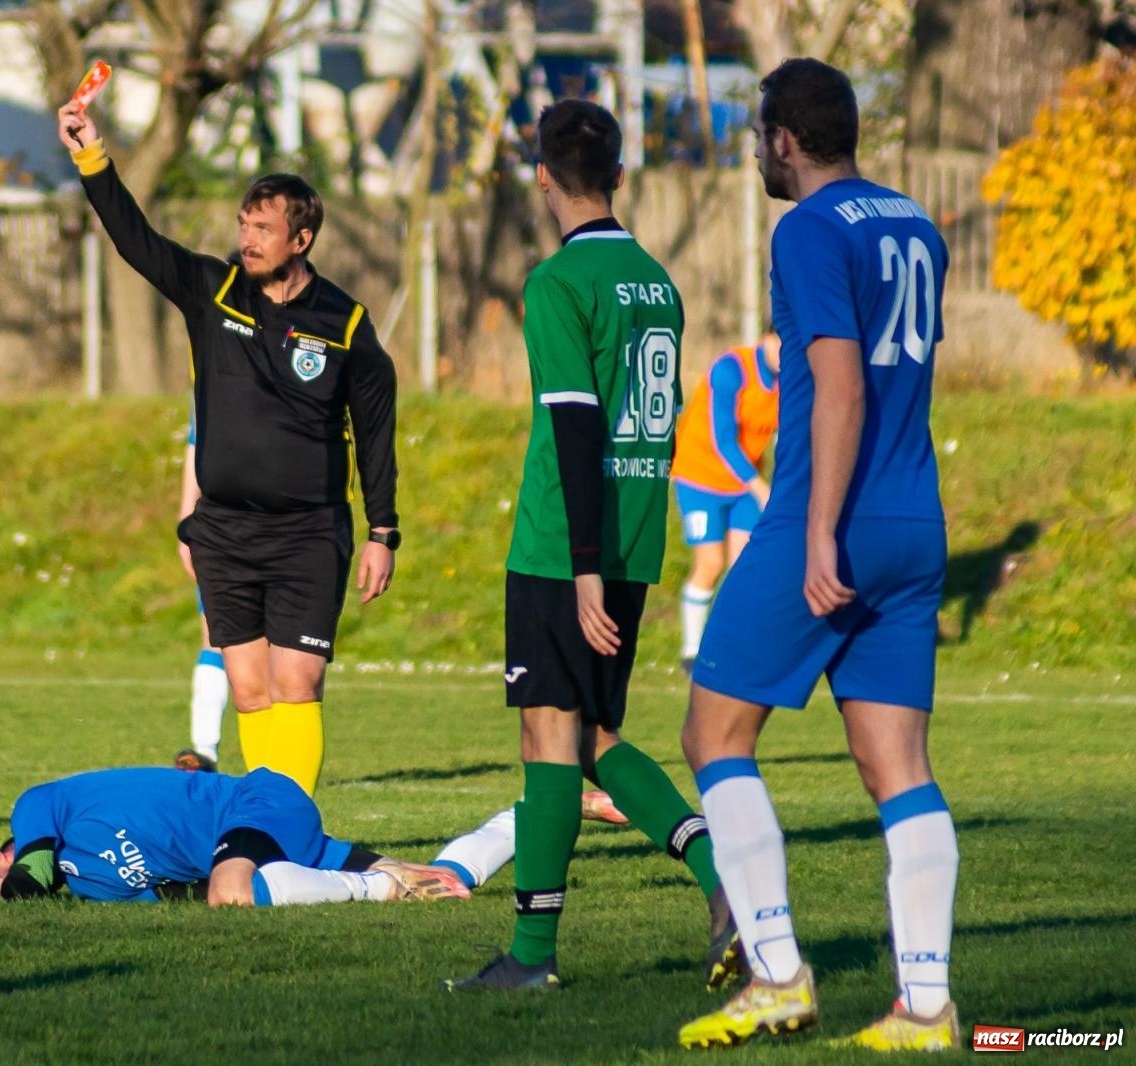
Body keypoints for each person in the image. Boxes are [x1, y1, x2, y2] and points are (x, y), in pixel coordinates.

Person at [677, 58, 957, 1052]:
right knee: (896, 765)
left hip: (825, 516)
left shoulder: (801, 228)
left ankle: (778, 974)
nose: (759, 152)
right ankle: (925, 1006)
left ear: (782, 140)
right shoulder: (915, 221)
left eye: (759, 136)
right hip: (914, 518)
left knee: (713, 738)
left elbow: (837, 385)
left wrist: (820, 531)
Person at [444, 100, 740, 993]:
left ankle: (532, 959)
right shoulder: (657, 278)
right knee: (591, 737)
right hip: (639, 535)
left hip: (562, 548)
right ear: (618, 175)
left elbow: (575, 432)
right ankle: (726, 880)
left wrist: (576, 569)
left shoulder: (555, 284)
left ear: (542, 176)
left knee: (548, 734)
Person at [57, 100, 400, 798]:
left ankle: (288, 825)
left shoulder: (346, 322)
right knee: (247, 687)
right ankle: (269, 823)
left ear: (301, 239)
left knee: (296, 679)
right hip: (225, 529)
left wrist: (383, 530)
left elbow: (375, 432)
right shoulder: (212, 291)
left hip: (307, 530)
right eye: (244, 224)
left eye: (264, 228)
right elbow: (134, 239)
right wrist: (93, 156)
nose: (248, 238)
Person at [0, 767, 627, 906]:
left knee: (232, 895)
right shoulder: (91, 889)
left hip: (257, 803)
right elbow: (174, 899)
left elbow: (28, 876)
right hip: (260, 838)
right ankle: (541, 812)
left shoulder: (38, 807)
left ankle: (376, 891)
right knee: (441, 882)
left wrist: (3, 893)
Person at [670, 333, 781, 670]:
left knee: (745, 567)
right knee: (710, 564)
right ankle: (691, 650)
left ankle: (736, 647)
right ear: (768, 339)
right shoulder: (732, 369)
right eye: (784, 344)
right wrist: (761, 489)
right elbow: (723, 440)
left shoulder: (791, 381)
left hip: (743, 486)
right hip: (699, 479)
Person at [174, 411, 230, 773]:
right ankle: (203, 752)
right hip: (221, 524)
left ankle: (279, 759)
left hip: (287, 522)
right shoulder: (216, 365)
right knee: (214, 635)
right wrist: (186, 517)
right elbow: (198, 441)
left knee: (280, 649)